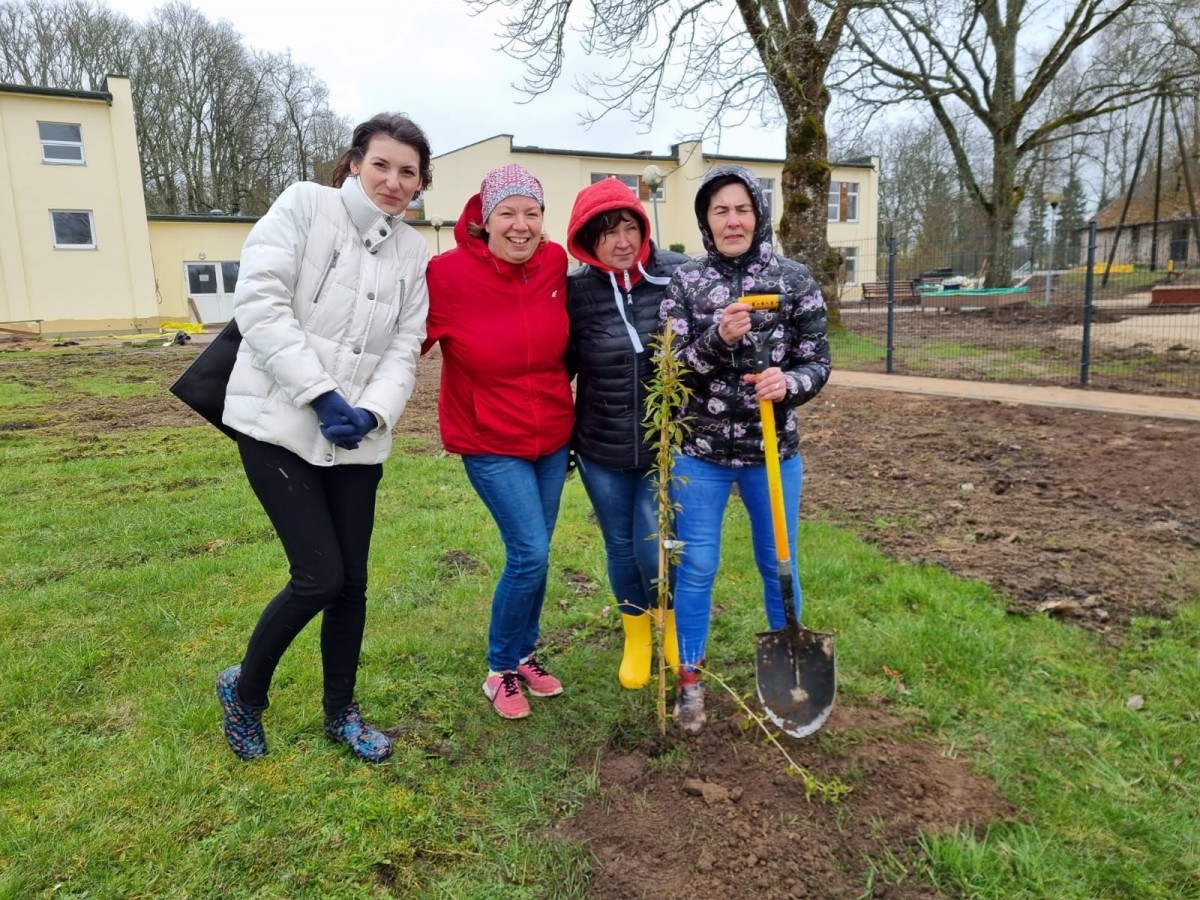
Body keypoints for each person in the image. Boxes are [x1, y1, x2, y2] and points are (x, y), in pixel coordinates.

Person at [214, 113, 433, 762]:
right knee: (318, 576)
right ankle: (245, 692)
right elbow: (259, 301)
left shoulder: (414, 251)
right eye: (382, 165)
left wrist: (372, 412)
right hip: (278, 423)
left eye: (408, 173)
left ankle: (341, 712)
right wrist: (320, 394)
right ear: (354, 162)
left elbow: (406, 344)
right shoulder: (304, 207)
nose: (393, 182)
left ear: (421, 184)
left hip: (356, 439)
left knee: (353, 584)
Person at [657, 164, 831, 734]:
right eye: (719, 211)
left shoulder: (794, 279)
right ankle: (689, 681)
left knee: (777, 561)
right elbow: (672, 369)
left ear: (758, 213)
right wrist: (718, 338)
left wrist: (791, 384)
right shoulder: (685, 283)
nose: (732, 220)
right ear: (706, 221)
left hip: (773, 454)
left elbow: (818, 361)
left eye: (742, 209)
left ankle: (793, 660)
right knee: (698, 567)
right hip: (699, 454)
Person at [424, 164, 574, 720]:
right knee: (529, 553)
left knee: (537, 553)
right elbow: (400, 341)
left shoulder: (555, 263)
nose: (521, 225)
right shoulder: (447, 273)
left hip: (553, 435)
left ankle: (525, 653)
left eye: (531, 213)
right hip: (490, 439)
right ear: (484, 221)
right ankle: (500, 670)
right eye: (507, 213)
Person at [565, 177, 689, 689]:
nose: (622, 241)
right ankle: (637, 635)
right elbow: (558, 367)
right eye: (608, 232)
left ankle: (672, 628)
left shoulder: (678, 277)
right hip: (601, 445)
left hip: (666, 445)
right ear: (588, 240)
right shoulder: (576, 293)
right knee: (619, 546)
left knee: (655, 543)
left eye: (630, 227)